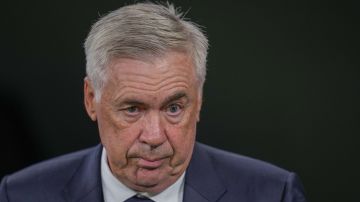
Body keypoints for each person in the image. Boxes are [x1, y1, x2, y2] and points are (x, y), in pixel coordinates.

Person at [0, 2, 307, 202]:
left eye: (174, 108)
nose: (155, 136)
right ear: (91, 100)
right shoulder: (21, 194)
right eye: (133, 109)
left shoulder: (273, 193)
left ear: (198, 101)